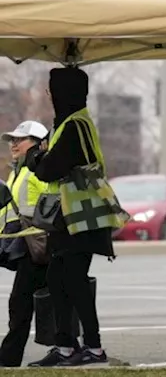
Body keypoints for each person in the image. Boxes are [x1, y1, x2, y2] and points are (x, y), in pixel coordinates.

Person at [27, 67, 127, 368]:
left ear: (61, 94)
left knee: (73, 280)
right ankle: (66, 346)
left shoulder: (73, 126)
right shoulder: (69, 122)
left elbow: (48, 169)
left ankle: (93, 348)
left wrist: (35, 157)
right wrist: (42, 157)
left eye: (51, 91)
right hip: (70, 217)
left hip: (81, 217)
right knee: (59, 279)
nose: (49, 96)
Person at [0, 120, 49, 367]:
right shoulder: (16, 171)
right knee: (35, 301)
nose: (14, 145)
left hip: (38, 245)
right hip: (20, 244)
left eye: (20, 140)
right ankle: (67, 346)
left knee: (21, 302)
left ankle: (8, 358)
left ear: (38, 144)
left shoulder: (37, 169)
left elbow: (52, 201)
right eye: (12, 140)